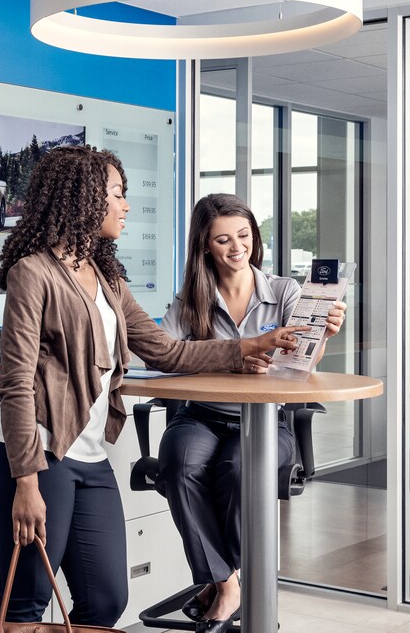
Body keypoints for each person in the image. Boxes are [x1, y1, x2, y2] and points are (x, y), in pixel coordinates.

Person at [0, 147, 308, 628]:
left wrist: (248, 346)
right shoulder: (32, 274)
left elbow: (168, 352)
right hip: (42, 454)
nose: (126, 206)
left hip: (91, 458)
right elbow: (15, 385)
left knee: (107, 600)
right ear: (84, 199)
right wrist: (26, 482)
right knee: (27, 601)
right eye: (117, 194)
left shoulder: (108, 278)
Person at [156, 193, 346, 633]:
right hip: (201, 416)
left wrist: (325, 337)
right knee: (178, 464)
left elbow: (303, 364)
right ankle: (226, 583)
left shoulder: (283, 291)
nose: (237, 247)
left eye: (244, 235)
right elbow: (162, 352)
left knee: (239, 467)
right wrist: (229, 357)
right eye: (223, 239)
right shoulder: (193, 297)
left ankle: (222, 581)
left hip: (263, 422)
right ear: (204, 245)